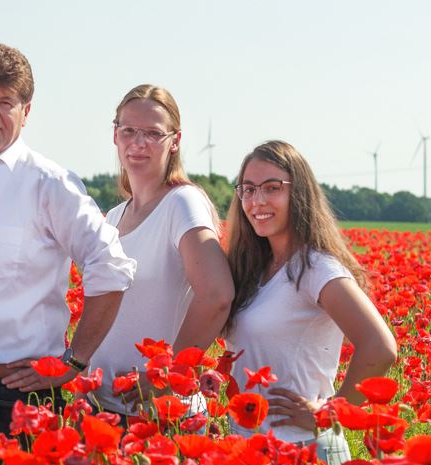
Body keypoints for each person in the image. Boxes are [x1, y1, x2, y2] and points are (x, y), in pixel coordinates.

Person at [0, 39, 136, 452]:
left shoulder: (48, 184)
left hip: (15, 398)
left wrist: (74, 362)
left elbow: (111, 265)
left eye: (6, 101)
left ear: (27, 111)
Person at [223, 140, 398, 462]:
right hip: (252, 444)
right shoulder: (254, 269)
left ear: (299, 193)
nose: (257, 200)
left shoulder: (316, 267)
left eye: (272, 188)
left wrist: (329, 414)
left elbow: (380, 346)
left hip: (303, 446)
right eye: (247, 189)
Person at [91, 84, 232, 417]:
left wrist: (169, 376)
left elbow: (217, 294)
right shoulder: (114, 216)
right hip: (104, 405)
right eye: (128, 130)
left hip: (159, 412)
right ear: (115, 134)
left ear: (176, 141)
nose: (138, 143)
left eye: (153, 134)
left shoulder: (182, 203)